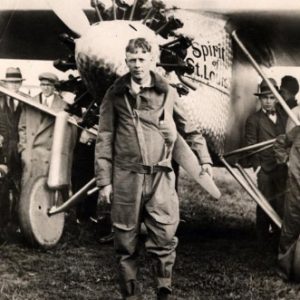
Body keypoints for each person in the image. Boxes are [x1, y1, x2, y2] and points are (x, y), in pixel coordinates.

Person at [95, 37, 212, 300]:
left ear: (152, 60)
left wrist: (204, 159)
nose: (137, 65)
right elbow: (104, 138)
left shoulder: (167, 92)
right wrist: (105, 182)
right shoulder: (114, 95)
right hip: (126, 178)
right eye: (132, 60)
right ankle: (131, 294)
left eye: (142, 59)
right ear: (126, 61)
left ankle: (163, 290)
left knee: (164, 237)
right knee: (125, 241)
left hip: (160, 177)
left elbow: (188, 128)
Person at [245, 78, 288, 249]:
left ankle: (279, 238)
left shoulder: (285, 118)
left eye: (271, 97)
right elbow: (250, 146)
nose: (269, 101)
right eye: (265, 98)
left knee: (282, 202)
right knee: (264, 203)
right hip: (265, 169)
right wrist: (257, 167)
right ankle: (262, 241)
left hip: (282, 167)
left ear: (277, 98)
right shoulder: (253, 120)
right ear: (260, 100)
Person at [18, 72, 68, 184]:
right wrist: (24, 150)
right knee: (29, 188)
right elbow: (22, 127)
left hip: (51, 155)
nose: (45, 88)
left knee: (46, 189)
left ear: (54, 87)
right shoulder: (30, 102)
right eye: (43, 84)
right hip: (31, 154)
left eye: (48, 85)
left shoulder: (63, 106)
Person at [0, 67, 24, 228]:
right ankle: (2, 222)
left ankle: (18, 221)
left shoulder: (25, 102)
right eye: (11, 83)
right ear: (6, 84)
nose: (13, 86)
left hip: (20, 149)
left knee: (19, 184)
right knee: (2, 184)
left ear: (20, 84)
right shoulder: (0, 101)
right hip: (2, 149)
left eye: (17, 83)